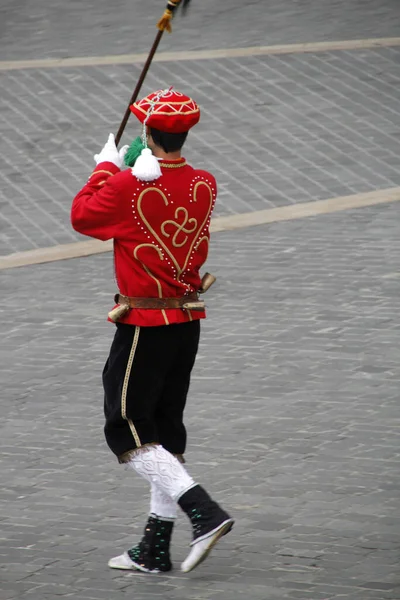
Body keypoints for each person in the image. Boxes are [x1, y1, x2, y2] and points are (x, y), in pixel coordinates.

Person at [71, 88, 233, 574]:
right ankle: (155, 547)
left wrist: (105, 168)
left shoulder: (128, 187)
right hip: (186, 321)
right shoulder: (204, 182)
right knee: (164, 427)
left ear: (145, 133)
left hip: (144, 323)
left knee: (127, 426)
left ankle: (202, 511)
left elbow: (82, 215)